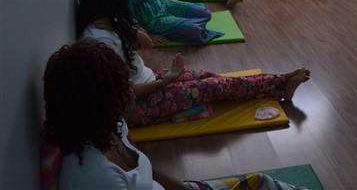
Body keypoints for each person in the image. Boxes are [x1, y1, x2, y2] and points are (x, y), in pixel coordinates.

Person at [43, 39, 310, 189]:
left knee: (260, 183)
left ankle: (278, 82)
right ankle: (279, 84)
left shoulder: (113, 126)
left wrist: (188, 188)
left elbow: (148, 172)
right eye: (123, 87)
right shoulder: (97, 177)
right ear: (99, 100)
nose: (131, 92)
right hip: (157, 93)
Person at [76, 0, 311, 127]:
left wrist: (128, 27)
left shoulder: (111, 23)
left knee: (208, 76)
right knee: (213, 86)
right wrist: (168, 79)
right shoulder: (100, 41)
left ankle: (278, 85)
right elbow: (124, 95)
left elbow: (145, 46)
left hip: (149, 79)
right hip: (139, 106)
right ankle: (281, 83)